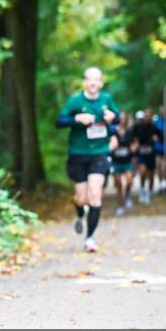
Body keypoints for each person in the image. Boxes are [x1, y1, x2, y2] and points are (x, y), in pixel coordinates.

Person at [55, 67, 119, 253]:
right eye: (89, 79)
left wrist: (112, 119)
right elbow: (59, 121)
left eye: (96, 80)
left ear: (101, 83)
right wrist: (77, 118)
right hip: (78, 154)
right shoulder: (75, 101)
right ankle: (79, 213)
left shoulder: (107, 99)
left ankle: (89, 238)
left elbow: (117, 119)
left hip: (100, 152)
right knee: (81, 198)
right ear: (84, 82)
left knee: (95, 194)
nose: (93, 83)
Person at [109, 111, 135, 216]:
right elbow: (108, 143)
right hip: (116, 161)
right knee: (118, 184)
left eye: (124, 117)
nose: (122, 119)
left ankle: (127, 195)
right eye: (120, 117)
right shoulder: (112, 131)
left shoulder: (130, 131)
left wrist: (134, 148)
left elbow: (135, 142)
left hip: (127, 161)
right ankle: (120, 206)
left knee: (129, 181)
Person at [132, 109, 159, 204]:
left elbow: (160, 136)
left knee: (151, 174)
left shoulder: (154, 127)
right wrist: (135, 143)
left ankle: (149, 193)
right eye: (145, 115)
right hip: (141, 152)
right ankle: (142, 188)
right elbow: (132, 136)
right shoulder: (138, 126)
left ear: (151, 116)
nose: (147, 117)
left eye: (149, 115)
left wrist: (156, 138)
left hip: (151, 152)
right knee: (143, 171)